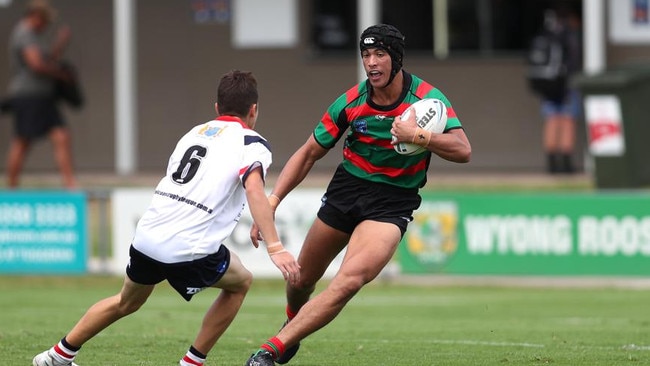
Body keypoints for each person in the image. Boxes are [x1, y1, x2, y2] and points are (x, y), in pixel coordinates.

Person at [32, 70, 301, 366]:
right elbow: (254, 189)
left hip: (147, 236)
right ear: (254, 110)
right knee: (241, 282)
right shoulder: (253, 143)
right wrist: (276, 247)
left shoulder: (194, 133)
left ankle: (55, 356)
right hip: (186, 248)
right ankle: (191, 362)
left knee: (126, 301)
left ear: (216, 108)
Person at [244, 24, 471, 365]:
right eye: (366, 55)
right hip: (347, 190)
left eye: (380, 54)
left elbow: (463, 149)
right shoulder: (351, 102)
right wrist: (273, 202)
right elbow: (308, 153)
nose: (372, 63)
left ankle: (270, 351)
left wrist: (419, 135)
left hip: (392, 202)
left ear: (396, 58)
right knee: (301, 280)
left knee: (348, 281)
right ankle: (294, 320)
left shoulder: (428, 100)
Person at [5, 0, 77, 188]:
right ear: (36, 17)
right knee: (22, 141)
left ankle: (70, 185)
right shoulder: (24, 33)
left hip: (43, 97)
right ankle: (11, 187)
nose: (45, 26)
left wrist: (60, 44)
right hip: (29, 97)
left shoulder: (34, 36)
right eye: (44, 21)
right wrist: (61, 74)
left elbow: (46, 59)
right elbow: (36, 65)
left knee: (61, 136)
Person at [539, 4, 583, 174]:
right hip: (566, 84)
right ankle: (565, 164)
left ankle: (552, 163)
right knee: (567, 121)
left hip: (550, 84)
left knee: (552, 120)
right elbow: (574, 59)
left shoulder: (549, 31)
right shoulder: (569, 33)